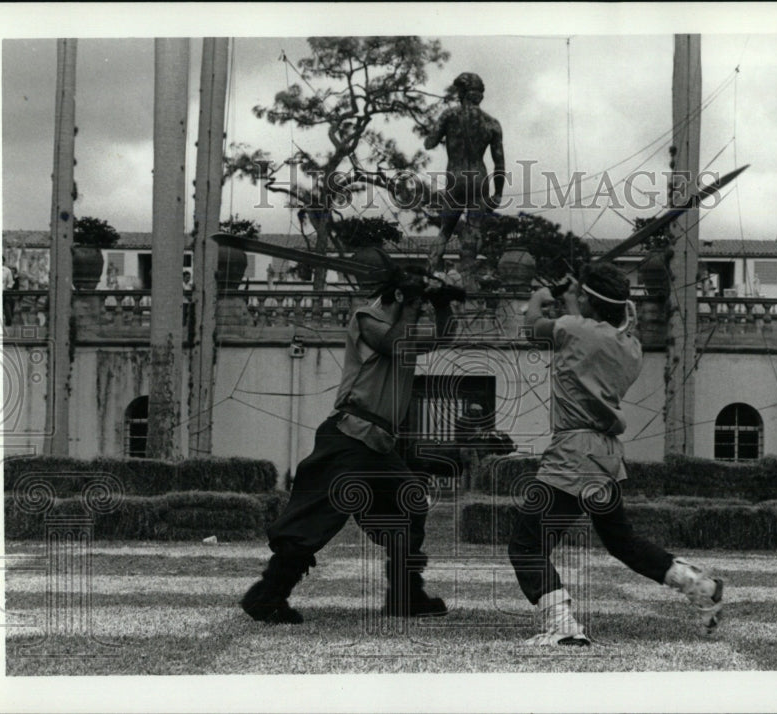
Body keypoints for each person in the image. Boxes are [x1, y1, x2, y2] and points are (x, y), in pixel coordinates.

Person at [508, 263, 724, 646]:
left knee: (527, 545)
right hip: (606, 456)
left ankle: (563, 627)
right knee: (622, 542)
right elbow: (589, 328)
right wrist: (577, 297)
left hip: (572, 455)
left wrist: (540, 299)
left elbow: (532, 329)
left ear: (590, 302)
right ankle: (700, 585)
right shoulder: (630, 346)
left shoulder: (575, 329)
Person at [241, 263, 458, 624]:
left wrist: (443, 304)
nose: (419, 308)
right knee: (315, 520)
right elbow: (393, 344)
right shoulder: (366, 317)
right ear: (401, 297)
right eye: (415, 301)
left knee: (411, 504)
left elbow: (441, 338)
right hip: (349, 436)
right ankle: (267, 596)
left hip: (379, 445)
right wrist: (413, 304)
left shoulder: (402, 322)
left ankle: (405, 595)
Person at [423, 72, 505, 270]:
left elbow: (429, 143)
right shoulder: (492, 123)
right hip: (479, 178)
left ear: (461, 93)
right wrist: (498, 193)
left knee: (446, 230)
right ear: (480, 96)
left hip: (456, 177)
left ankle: (431, 271)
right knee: (474, 229)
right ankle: (468, 278)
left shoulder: (450, 116)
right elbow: (499, 163)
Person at [2, 257, 15, 326]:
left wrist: (7, 289)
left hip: (4, 292)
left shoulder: (7, 271)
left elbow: (10, 282)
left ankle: (8, 321)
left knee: (7, 306)